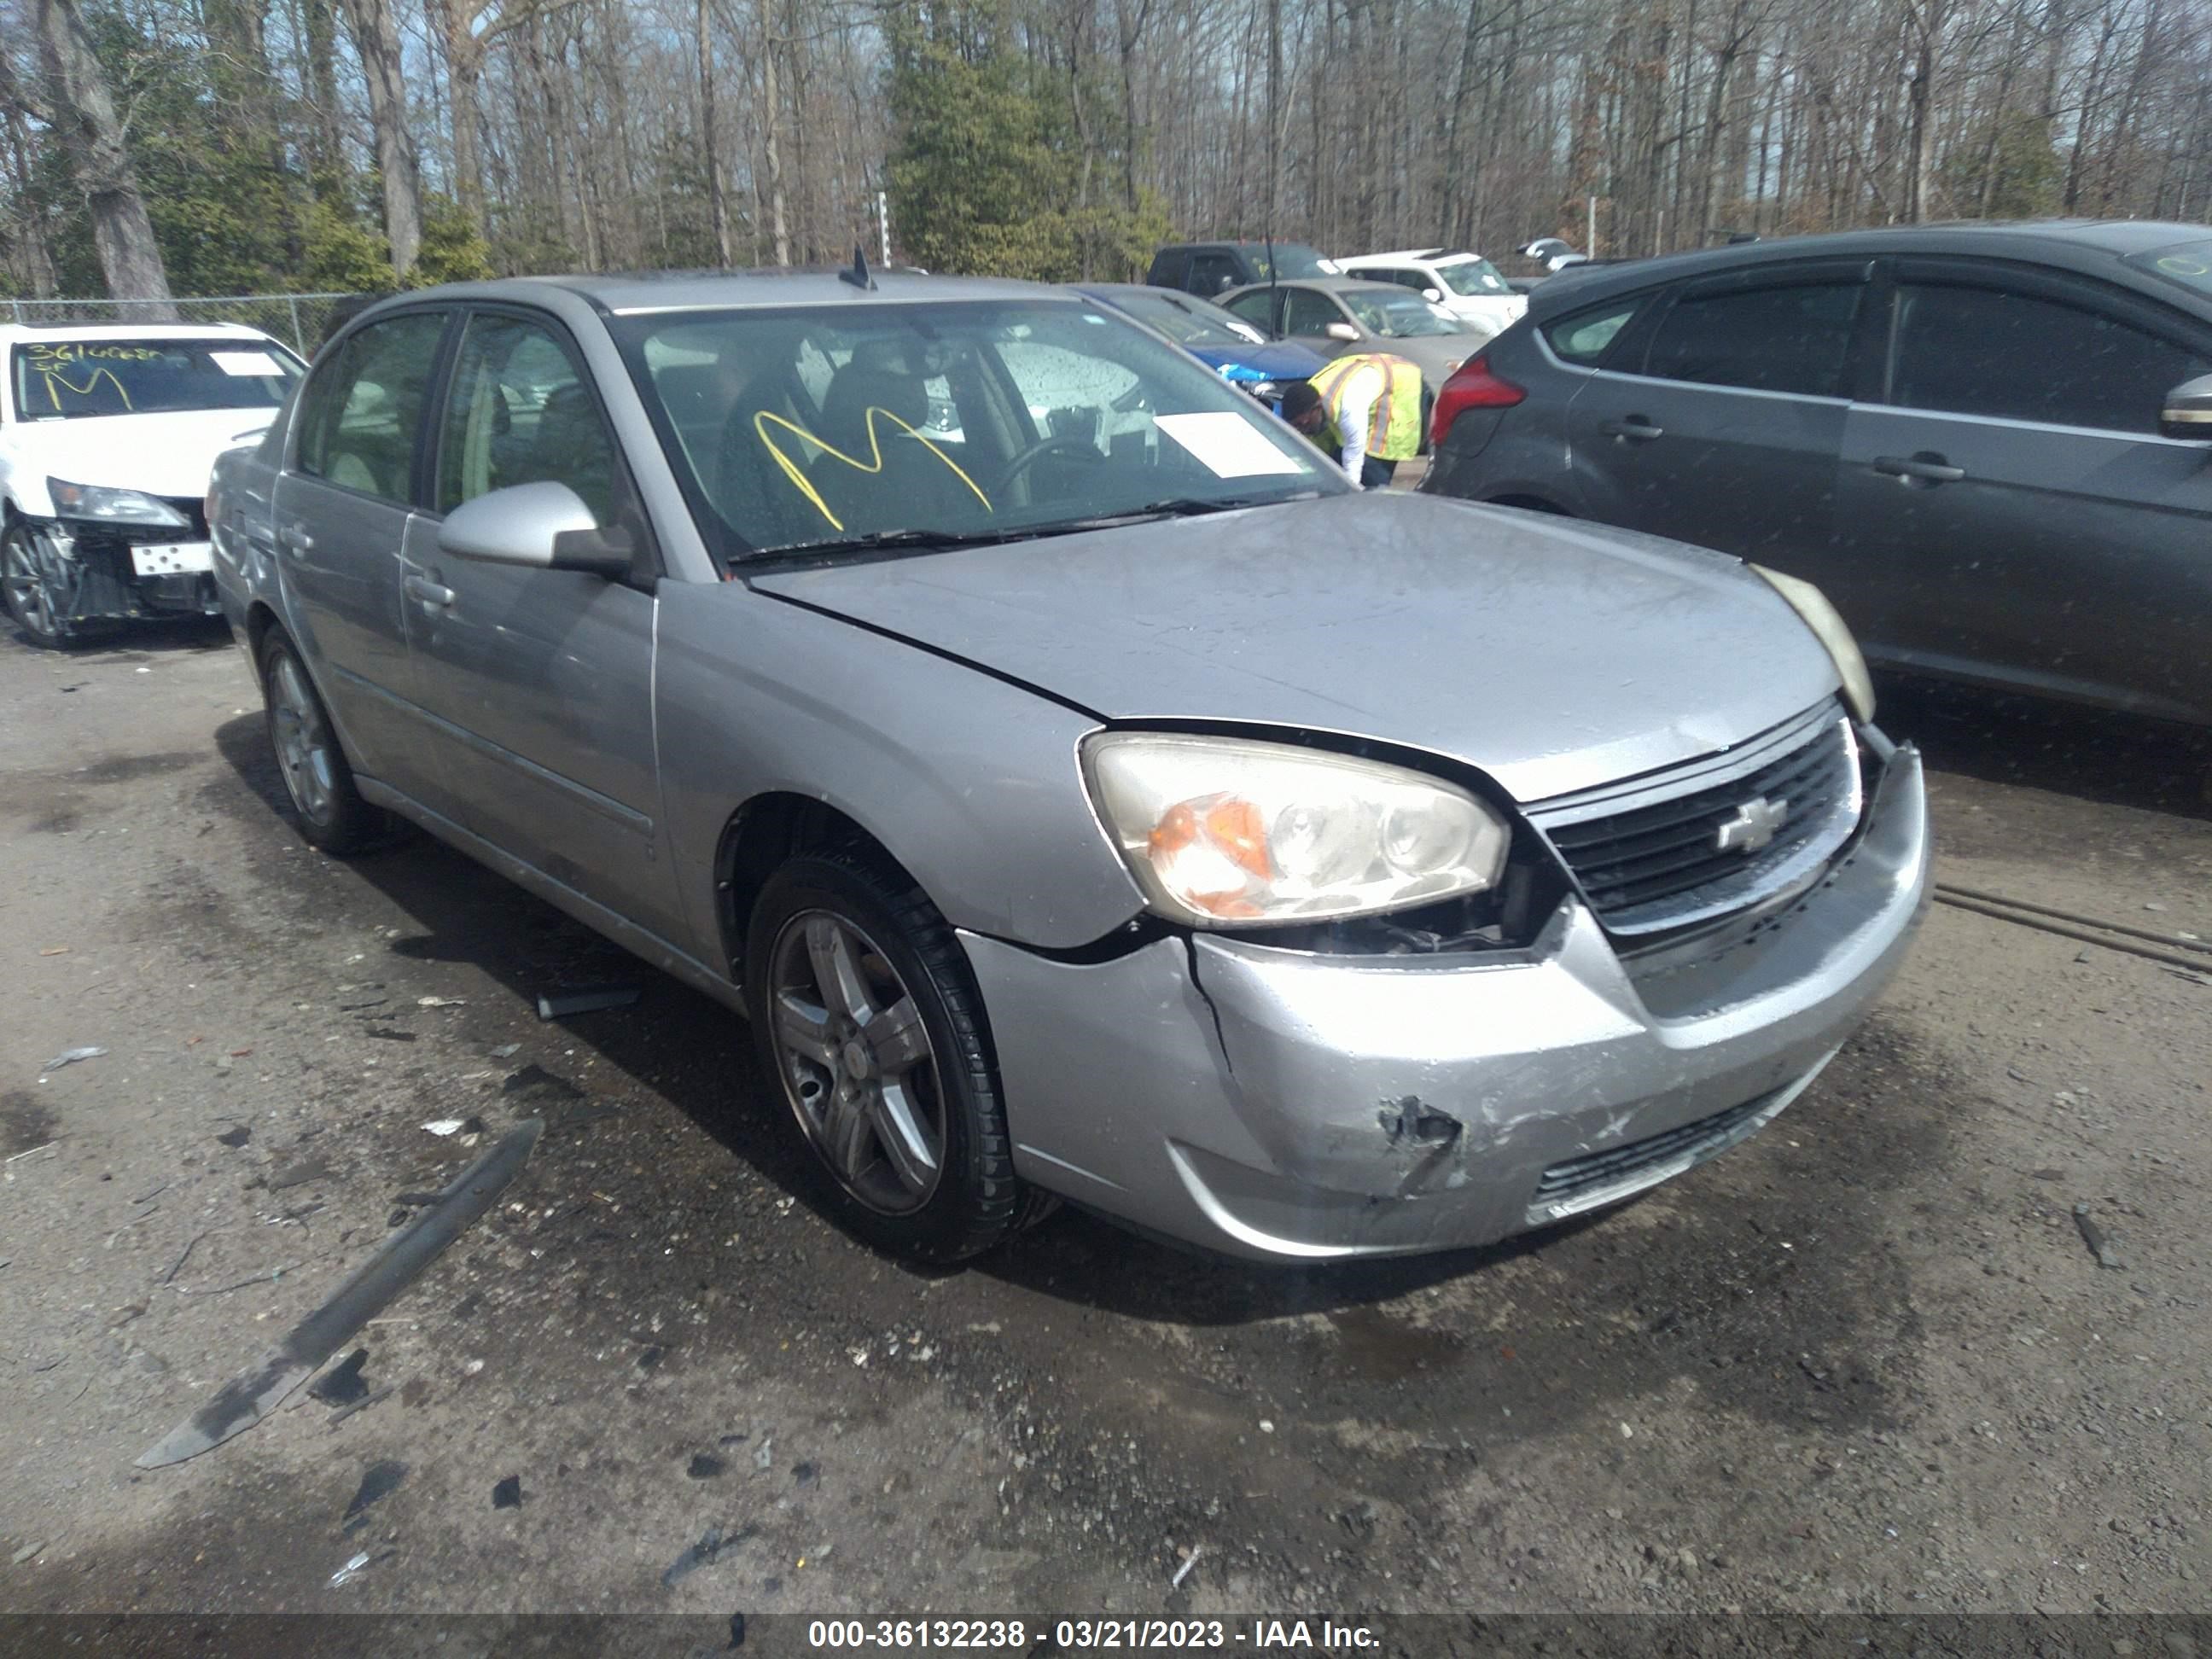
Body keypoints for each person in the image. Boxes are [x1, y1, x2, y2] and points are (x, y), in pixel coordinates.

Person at [1278, 352, 1423, 489]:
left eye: (1302, 425)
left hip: (1401, 383)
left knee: (1372, 472)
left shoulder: (1350, 407)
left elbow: (1354, 454)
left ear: (1316, 409)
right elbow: (1316, 448)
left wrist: (1350, 493)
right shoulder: (1310, 395)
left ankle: (1380, 503)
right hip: (1367, 373)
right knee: (1336, 462)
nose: (1303, 430)